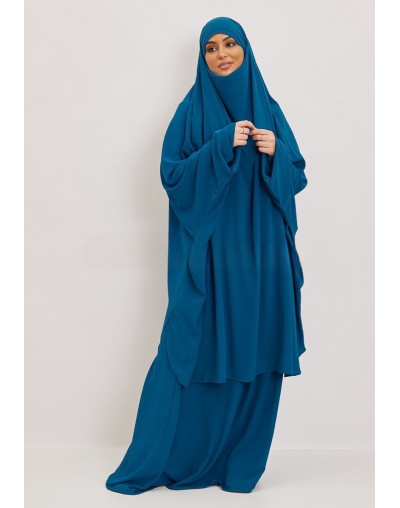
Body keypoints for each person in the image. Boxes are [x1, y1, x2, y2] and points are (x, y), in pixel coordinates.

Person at [105, 16, 308, 495]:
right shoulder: (191, 111)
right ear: (203, 58)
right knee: (198, 345)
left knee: (260, 344)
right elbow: (172, 176)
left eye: (229, 44)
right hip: (213, 257)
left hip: (265, 255)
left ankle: (240, 464)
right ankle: (179, 455)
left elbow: (297, 175)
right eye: (211, 48)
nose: (221, 54)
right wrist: (219, 145)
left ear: (246, 50)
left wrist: (277, 152)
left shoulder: (270, 109)